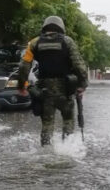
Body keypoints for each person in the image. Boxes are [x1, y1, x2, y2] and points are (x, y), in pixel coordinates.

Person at [17, 16, 88, 146]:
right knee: (68, 122)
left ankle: (45, 152)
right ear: (61, 27)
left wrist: (22, 85)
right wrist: (82, 85)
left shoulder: (34, 43)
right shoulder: (68, 42)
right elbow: (79, 66)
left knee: (47, 124)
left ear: (45, 27)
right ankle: (67, 150)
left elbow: (24, 66)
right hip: (66, 90)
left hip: (45, 91)